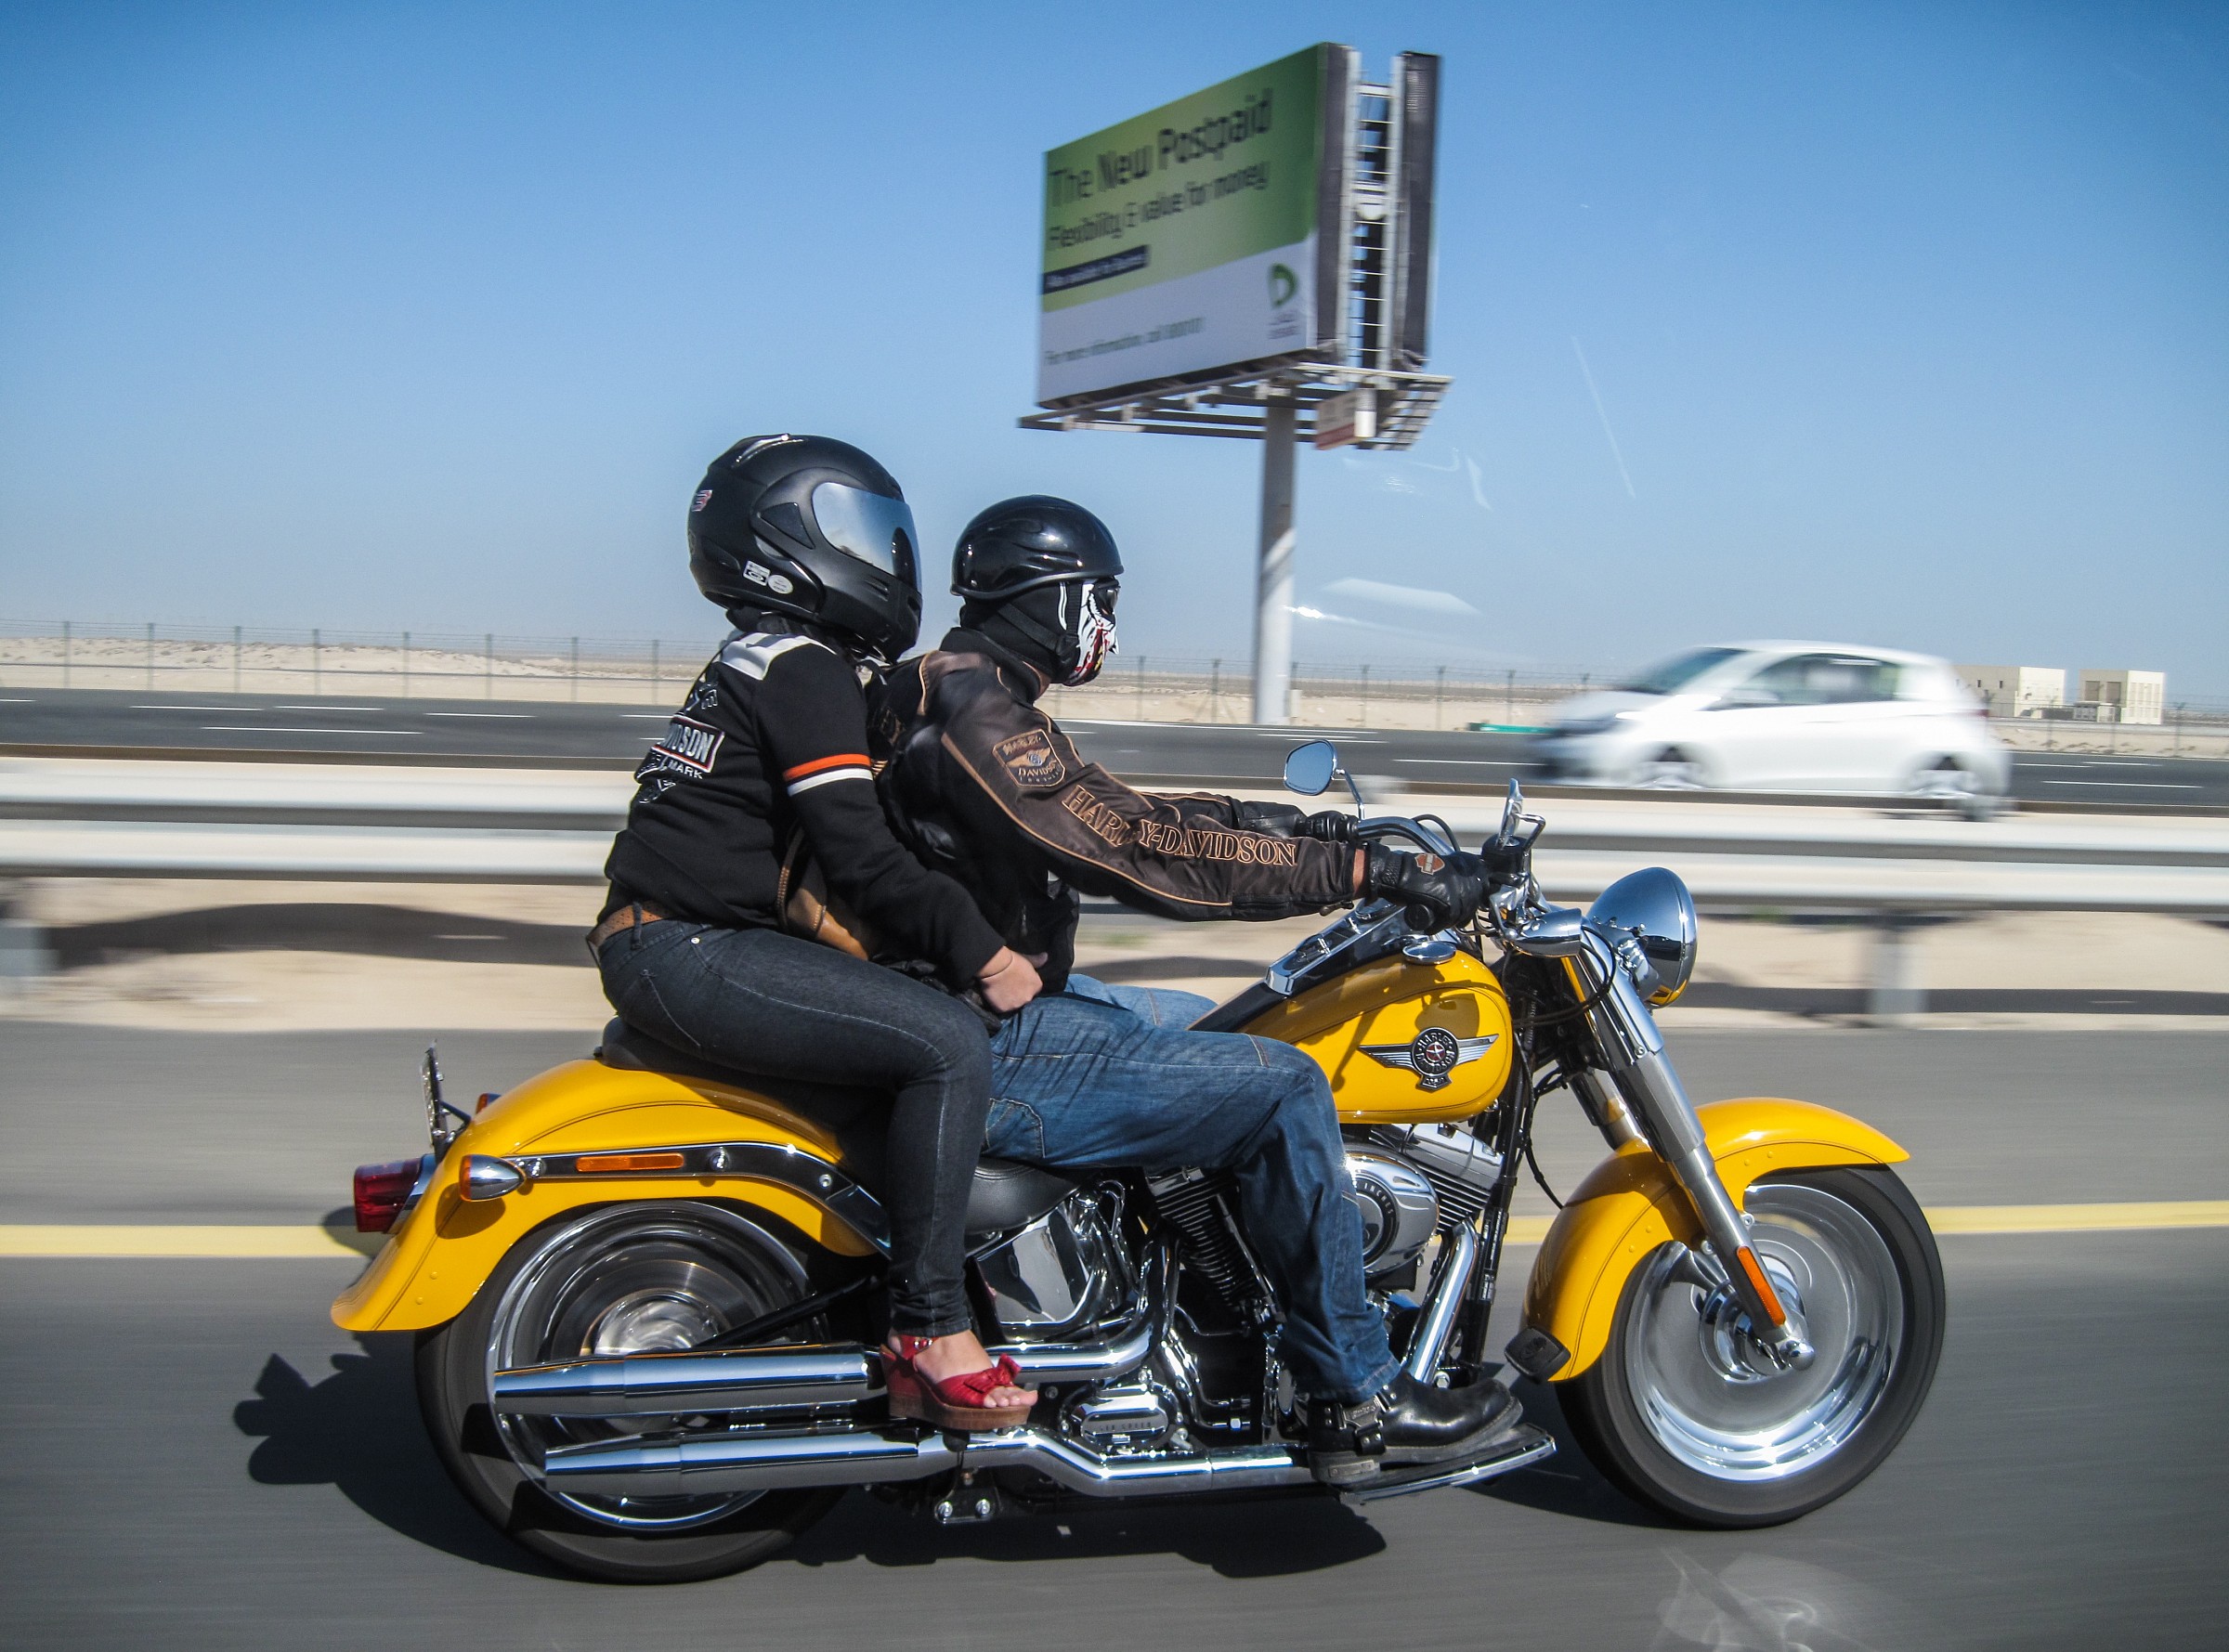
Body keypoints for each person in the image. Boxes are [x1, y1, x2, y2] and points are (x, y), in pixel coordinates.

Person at [869, 495, 1522, 1484]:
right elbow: (1138, 851)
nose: (1108, 626)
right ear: (1047, 597)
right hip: (986, 1033)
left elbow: (1135, 811)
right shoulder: (975, 714)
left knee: (1209, 1021)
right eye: (1099, 600)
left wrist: (1335, 838)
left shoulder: (964, 690)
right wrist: (1361, 876)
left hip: (988, 1001)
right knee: (1285, 1082)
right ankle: (1356, 1393)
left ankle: (1216, 1305)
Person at [592, 435, 1039, 1430]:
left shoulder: (760, 661)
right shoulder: (802, 669)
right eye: (856, 532)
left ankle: (919, 1282)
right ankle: (928, 1329)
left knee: (907, 1029)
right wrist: (987, 953)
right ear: (787, 542)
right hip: (688, 951)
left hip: (667, 944)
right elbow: (860, 855)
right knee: (947, 1043)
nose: (881, 558)